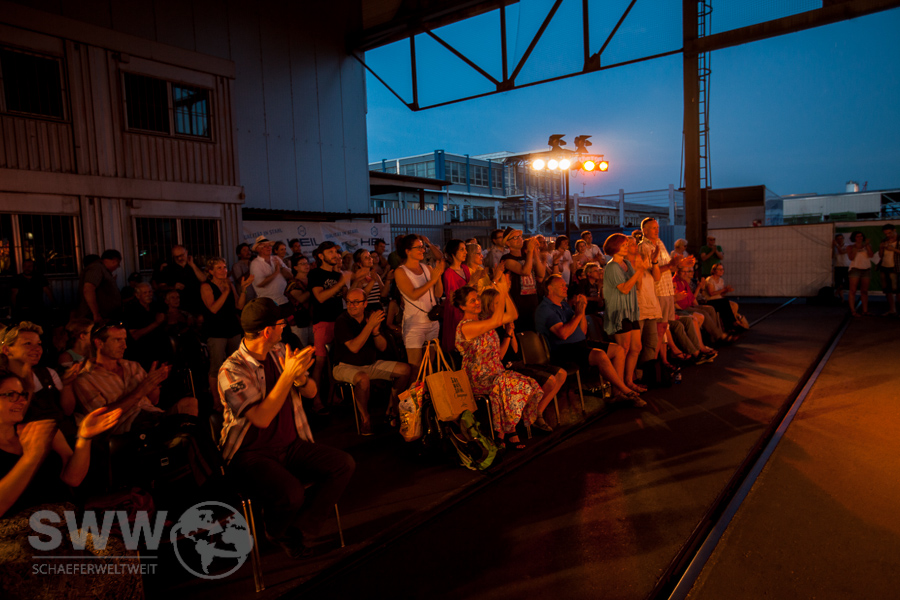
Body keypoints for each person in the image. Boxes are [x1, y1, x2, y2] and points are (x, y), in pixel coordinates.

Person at [217, 298, 355, 559]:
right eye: (282, 323)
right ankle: (275, 529)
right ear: (267, 331)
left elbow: (311, 392)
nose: (286, 327)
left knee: (342, 464)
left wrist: (300, 377)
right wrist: (288, 375)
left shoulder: (280, 351)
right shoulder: (232, 370)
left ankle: (299, 530)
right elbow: (261, 418)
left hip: (289, 445)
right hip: (251, 454)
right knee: (292, 493)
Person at [0, 368, 122, 518]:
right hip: (19, 526)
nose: (23, 401)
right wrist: (30, 458)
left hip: (63, 516)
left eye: (22, 394)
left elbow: (73, 479)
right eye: (11, 395)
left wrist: (84, 438)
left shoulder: (40, 429)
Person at [454, 285, 546, 449]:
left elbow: (513, 315)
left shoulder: (484, 322)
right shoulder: (466, 327)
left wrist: (505, 292)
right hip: (479, 377)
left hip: (497, 372)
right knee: (508, 385)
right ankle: (507, 432)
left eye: (478, 298)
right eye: (472, 301)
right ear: (462, 306)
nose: (477, 302)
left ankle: (504, 432)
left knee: (528, 383)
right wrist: (502, 292)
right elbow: (496, 321)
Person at [536, 274, 643, 405]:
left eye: (565, 285)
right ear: (550, 288)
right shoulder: (545, 309)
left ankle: (617, 394)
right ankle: (626, 390)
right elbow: (563, 334)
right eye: (562, 285)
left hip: (579, 344)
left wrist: (582, 310)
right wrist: (578, 314)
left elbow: (583, 331)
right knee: (600, 355)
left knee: (618, 350)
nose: (566, 288)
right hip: (563, 350)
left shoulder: (564, 305)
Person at [73, 323, 198, 435]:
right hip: (128, 426)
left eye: (125, 340)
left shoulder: (132, 366)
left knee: (189, 404)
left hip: (153, 415)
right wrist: (140, 391)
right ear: (99, 343)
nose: (124, 346)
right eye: (118, 340)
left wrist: (154, 383)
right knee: (182, 430)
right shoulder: (85, 378)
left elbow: (154, 400)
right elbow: (101, 418)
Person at [478, 288, 565, 432]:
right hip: (505, 368)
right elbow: (499, 356)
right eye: (496, 303)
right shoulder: (488, 327)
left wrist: (511, 331)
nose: (500, 307)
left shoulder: (503, 321)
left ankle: (536, 413)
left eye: (501, 303)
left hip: (518, 363)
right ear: (487, 305)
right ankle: (529, 417)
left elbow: (515, 350)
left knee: (561, 374)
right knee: (549, 381)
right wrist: (507, 334)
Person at [332, 289, 411, 434]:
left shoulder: (369, 317)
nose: (351, 305)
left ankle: (392, 409)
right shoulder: (342, 321)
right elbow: (354, 347)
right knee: (363, 378)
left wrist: (375, 332)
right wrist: (369, 326)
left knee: (405, 370)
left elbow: (382, 347)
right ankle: (365, 418)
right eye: (349, 302)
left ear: (365, 304)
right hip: (345, 366)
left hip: (370, 363)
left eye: (356, 302)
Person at [0, 322, 79, 441]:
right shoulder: (3, 381)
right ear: (6, 350)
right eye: (28, 343)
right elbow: (14, 421)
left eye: (39, 344)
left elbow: (67, 411)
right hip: (31, 441)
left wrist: (67, 385)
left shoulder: (48, 373)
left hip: (65, 435)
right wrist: (29, 388)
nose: (37, 349)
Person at [201, 257, 253, 408]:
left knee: (235, 365)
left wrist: (243, 289)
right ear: (211, 271)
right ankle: (216, 400)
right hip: (216, 331)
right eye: (219, 268)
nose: (223, 270)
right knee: (216, 366)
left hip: (233, 329)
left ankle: (237, 396)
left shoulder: (229, 284)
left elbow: (239, 306)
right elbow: (213, 308)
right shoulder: (206, 286)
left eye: (224, 267)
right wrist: (225, 292)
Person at [603, 235, 649, 395]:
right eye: (623, 245)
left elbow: (637, 285)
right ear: (614, 247)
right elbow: (624, 288)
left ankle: (628, 381)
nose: (626, 247)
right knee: (623, 348)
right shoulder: (612, 267)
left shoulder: (627, 264)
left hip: (630, 310)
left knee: (636, 347)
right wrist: (639, 271)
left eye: (626, 245)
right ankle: (619, 387)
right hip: (618, 311)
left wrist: (639, 268)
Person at [309, 241, 352, 411]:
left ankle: (333, 396)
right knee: (320, 362)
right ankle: (316, 400)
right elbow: (320, 297)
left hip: (338, 321)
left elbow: (346, 297)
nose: (335, 255)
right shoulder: (315, 274)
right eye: (331, 252)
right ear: (321, 256)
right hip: (322, 322)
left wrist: (357, 281)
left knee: (335, 361)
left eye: (336, 252)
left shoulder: (338, 275)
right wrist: (341, 283)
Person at [394, 235, 444, 369]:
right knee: (416, 368)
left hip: (432, 321)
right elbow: (413, 295)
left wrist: (438, 276)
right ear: (408, 251)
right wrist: (432, 281)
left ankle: (428, 384)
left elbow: (438, 294)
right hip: (415, 325)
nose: (423, 250)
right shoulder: (401, 271)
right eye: (419, 247)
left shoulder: (427, 268)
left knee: (430, 364)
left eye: (423, 247)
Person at [501, 229, 546, 332]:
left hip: (532, 303)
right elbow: (525, 271)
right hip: (517, 305)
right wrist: (530, 251)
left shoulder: (527, 257)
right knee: (520, 334)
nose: (519, 239)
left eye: (520, 237)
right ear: (508, 243)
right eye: (515, 238)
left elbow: (541, 274)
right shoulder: (506, 259)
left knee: (533, 333)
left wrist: (534, 252)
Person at [441, 239, 471, 357]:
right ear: (453, 253)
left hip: (467, 309)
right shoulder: (449, 273)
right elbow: (453, 298)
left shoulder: (465, 268)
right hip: (456, 312)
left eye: (465, 249)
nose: (465, 252)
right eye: (462, 249)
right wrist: (471, 283)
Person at [159, 245, 207, 315]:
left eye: (181, 255)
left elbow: (203, 279)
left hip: (197, 302)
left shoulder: (194, 265)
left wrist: (192, 265)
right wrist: (173, 287)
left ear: (186, 252)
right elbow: (161, 287)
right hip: (179, 305)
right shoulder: (168, 268)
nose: (179, 258)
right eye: (176, 257)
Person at [78, 249, 123, 323]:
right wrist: (96, 314)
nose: (116, 267)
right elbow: (88, 289)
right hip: (96, 318)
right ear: (115, 261)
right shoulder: (97, 268)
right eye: (118, 264)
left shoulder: (103, 270)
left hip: (106, 316)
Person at [250, 236, 292, 306]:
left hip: (284, 300)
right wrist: (276, 272)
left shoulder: (276, 258)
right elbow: (260, 283)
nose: (268, 248)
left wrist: (281, 267)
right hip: (268, 303)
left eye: (269, 245)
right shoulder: (255, 263)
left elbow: (290, 276)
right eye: (264, 246)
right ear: (258, 249)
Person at [10, 259, 54, 324]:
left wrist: (54, 305)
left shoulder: (39, 278)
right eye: (25, 266)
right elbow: (13, 295)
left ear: (34, 267)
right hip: (23, 310)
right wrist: (15, 309)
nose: (26, 268)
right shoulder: (17, 279)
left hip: (38, 309)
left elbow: (47, 291)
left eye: (29, 266)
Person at [286, 254, 313, 348]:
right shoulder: (293, 283)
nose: (306, 265)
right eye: (302, 264)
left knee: (314, 346)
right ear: (295, 267)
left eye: (307, 263)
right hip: (299, 320)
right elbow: (301, 298)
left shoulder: (311, 280)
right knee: (301, 347)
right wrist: (314, 288)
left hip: (313, 318)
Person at [704, 263, 740, 331]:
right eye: (719, 269)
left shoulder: (721, 280)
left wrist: (726, 290)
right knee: (725, 302)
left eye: (722, 269)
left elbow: (721, 294)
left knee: (734, 305)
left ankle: (731, 324)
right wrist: (724, 289)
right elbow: (711, 293)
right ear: (714, 270)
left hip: (719, 300)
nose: (721, 271)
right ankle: (731, 323)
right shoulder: (710, 279)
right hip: (711, 300)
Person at [847, 231, 874, 317]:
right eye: (857, 236)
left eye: (861, 236)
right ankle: (853, 311)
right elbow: (851, 257)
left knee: (864, 291)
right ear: (854, 238)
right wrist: (855, 249)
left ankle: (865, 311)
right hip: (855, 269)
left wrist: (867, 245)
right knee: (853, 290)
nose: (860, 238)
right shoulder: (850, 247)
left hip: (866, 269)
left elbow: (871, 255)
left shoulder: (867, 246)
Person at [877, 223, 898, 316]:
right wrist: (881, 248)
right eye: (886, 233)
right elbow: (880, 255)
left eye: (889, 233)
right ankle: (892, 310)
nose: (888, 235)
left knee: (897, 290)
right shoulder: (884, 240)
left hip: (896, 268)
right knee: (887, 290)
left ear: (894, 230)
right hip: (884, 266)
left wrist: (893, 249)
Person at [832, 233, 850, 303]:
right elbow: (832, 256)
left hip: (846, 266)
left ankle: (836, 293)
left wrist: (836, 245)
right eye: (838, 239)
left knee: (847, 282)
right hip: (838, 266)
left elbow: (842, 252)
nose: (840, 240)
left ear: (843, 239)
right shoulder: (834, 247)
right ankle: (842, 298)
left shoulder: (847, 246)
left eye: (841, 238)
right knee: (838, 282)